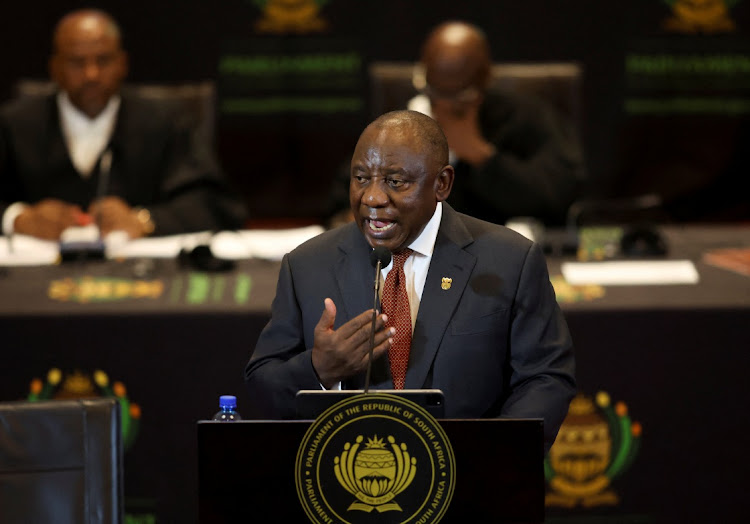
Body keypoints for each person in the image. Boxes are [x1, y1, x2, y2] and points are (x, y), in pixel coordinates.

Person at [245, 110, 575, 451]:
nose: (371, 198)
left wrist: (494, 458)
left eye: (394, 182)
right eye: (360, 178)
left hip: (470, 480)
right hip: (347, 481)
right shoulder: (307, 265)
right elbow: (263, 385)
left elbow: (545, 378)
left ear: (442, 184)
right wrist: (319, 369)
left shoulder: (510, 261)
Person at [0, 9, 246, 240]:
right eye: (77, 62)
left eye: (103, 60)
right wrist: (17, 219)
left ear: (122, 63)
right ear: (54, 67)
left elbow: (215, 204)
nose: (91, 75)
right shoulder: (13, 124)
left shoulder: (167, 123)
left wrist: (144, 220)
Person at [408, 21, 585, 227]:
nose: (444, 105)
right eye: (435, 93)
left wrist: (479, 155)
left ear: (484, 79)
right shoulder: (405, 122)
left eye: (461, 96)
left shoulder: (525, 117)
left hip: (507, 245)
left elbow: (557, 196)